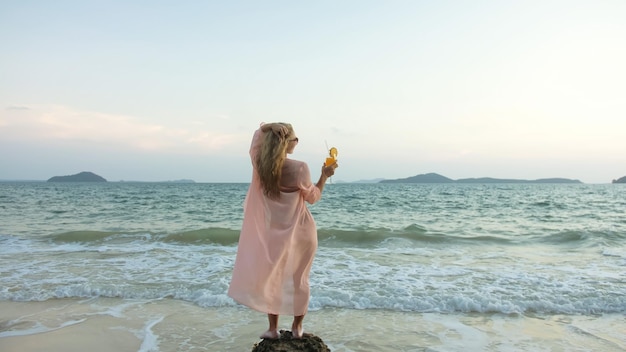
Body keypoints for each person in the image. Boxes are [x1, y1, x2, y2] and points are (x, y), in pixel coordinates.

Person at [228, 122, 338, 339]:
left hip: (273, 233)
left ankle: (272, 329)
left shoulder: (260, 165)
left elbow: (255, 141)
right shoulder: (299, 168)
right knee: (300, 279)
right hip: (302, 232)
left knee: (274, 277)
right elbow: (313, 197)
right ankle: (297, 328)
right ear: (287, 142)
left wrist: (269, 126)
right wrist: (325, 175)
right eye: (295, 139)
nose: (297, 143)